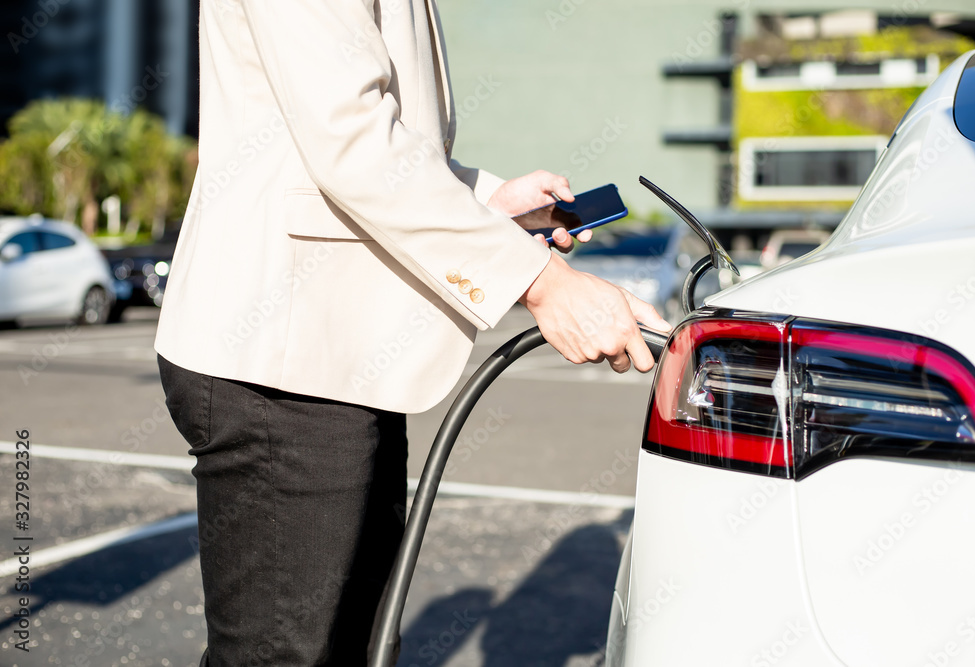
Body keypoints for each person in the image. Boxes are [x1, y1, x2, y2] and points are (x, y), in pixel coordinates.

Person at [154, 1, 671, 665]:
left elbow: (365, 143)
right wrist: (544, 282)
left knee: (350, 646)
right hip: (282, 358)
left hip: (337, 353)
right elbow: (353, 140)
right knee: (283, 653)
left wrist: (489, 202)